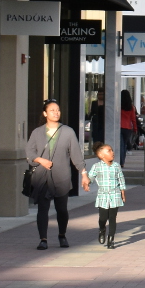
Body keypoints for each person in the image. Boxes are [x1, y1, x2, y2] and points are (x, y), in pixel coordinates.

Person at [25, 99, 87, 250]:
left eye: (58, 110)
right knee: (43, 209)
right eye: (52, 110)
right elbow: (29, 152)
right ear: (45, 113)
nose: (56, 112)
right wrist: (41, 160)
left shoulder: (67, 132)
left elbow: (76, 155)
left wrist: (83, 173)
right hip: (42, 176)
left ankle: (62, 235)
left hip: (61, 176)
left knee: (62, 209)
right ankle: (43, 239)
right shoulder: (37, 132)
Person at [87, 142, 127, 248]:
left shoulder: (116, 166)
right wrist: (86, 182)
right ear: (101, 155)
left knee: (112, 218)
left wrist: (123, 192)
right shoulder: (96, 166)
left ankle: (111, 239)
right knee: (103, 217)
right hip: (103, 196)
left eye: (112, 150)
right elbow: (90, 177)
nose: (112, 152)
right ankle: (102, 229)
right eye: (109, 151)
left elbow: (121, 179)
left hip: (115, 195)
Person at [119, 90, 137, 165]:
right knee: (125, 145)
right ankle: (122, 161)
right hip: (128, 128)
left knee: (120, 145)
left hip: (119, 127)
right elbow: (133, 119)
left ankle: (120, 160)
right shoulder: (131, 107)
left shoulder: (119, 106)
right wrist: (135, 129)